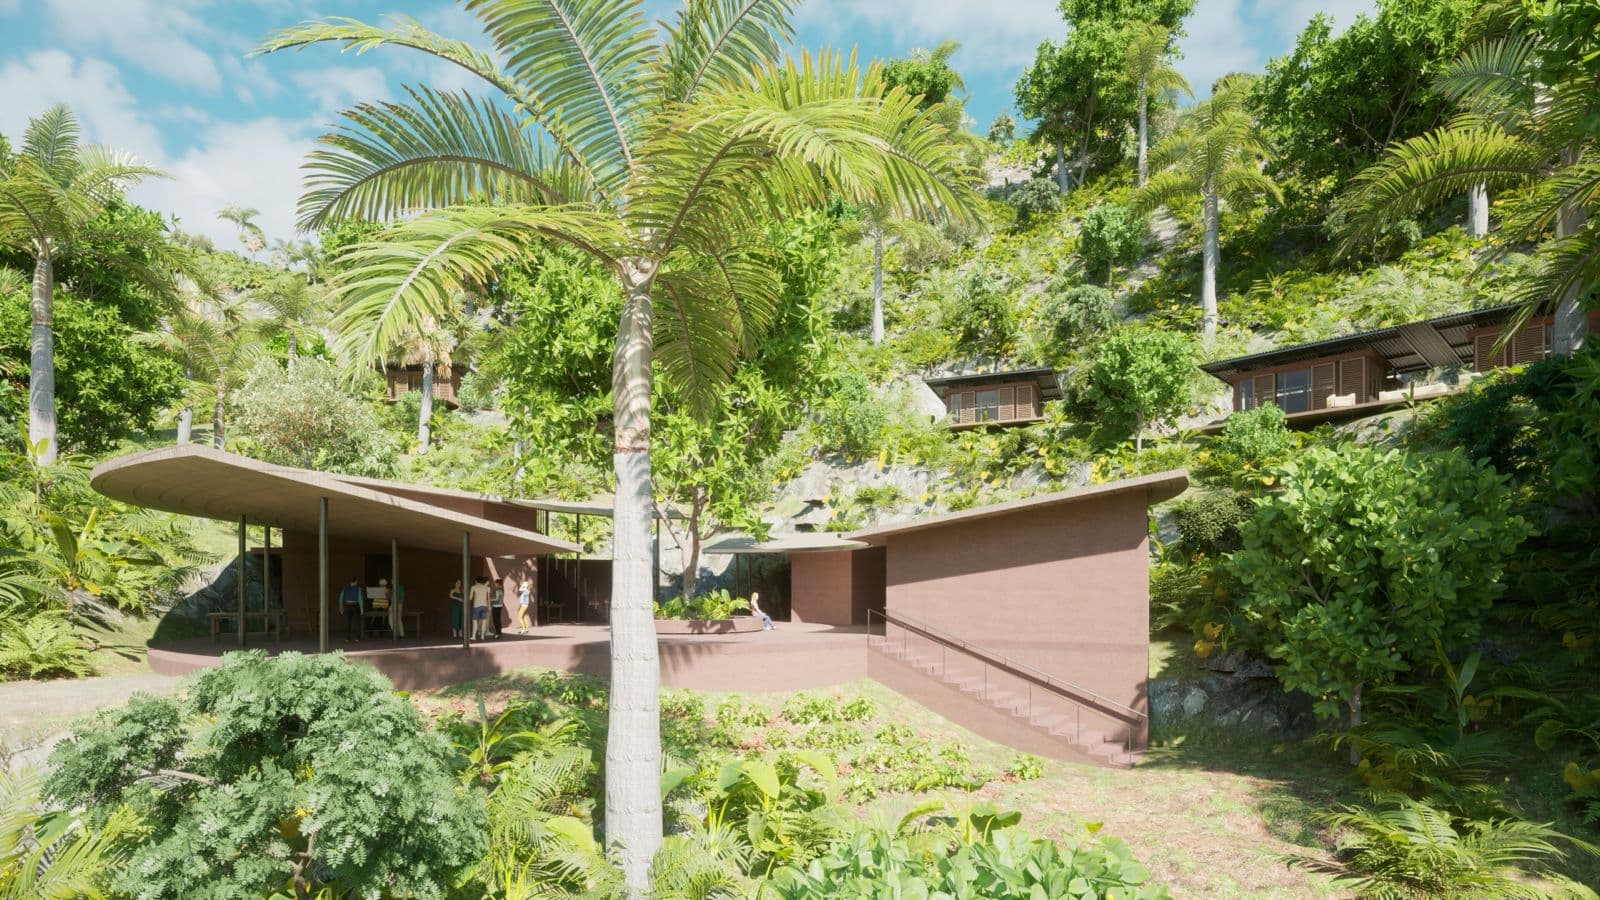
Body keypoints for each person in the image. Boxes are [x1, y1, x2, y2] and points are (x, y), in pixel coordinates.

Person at [339, 576, 363, 642]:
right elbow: (360, 599)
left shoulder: (344, 588)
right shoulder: (358, 588)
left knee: (348, 622)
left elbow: (341, 598)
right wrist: (361, 608)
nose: (357, 583)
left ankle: (347, 638)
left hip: (347, 605)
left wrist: (341, 607)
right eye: (356, 582)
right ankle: (357, 638)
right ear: (355, 581)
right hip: (355, 605)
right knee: (357, 622)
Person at [469, 576, 492, 640]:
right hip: (484, 606)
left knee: (474, 621)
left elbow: (470, 597)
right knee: (484, 621)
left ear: (476, 581)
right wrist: (489, 606)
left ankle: (473, 636)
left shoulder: (473, 587)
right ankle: (482, 636)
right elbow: (489, 598)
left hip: (476, 606)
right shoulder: (487, 588)